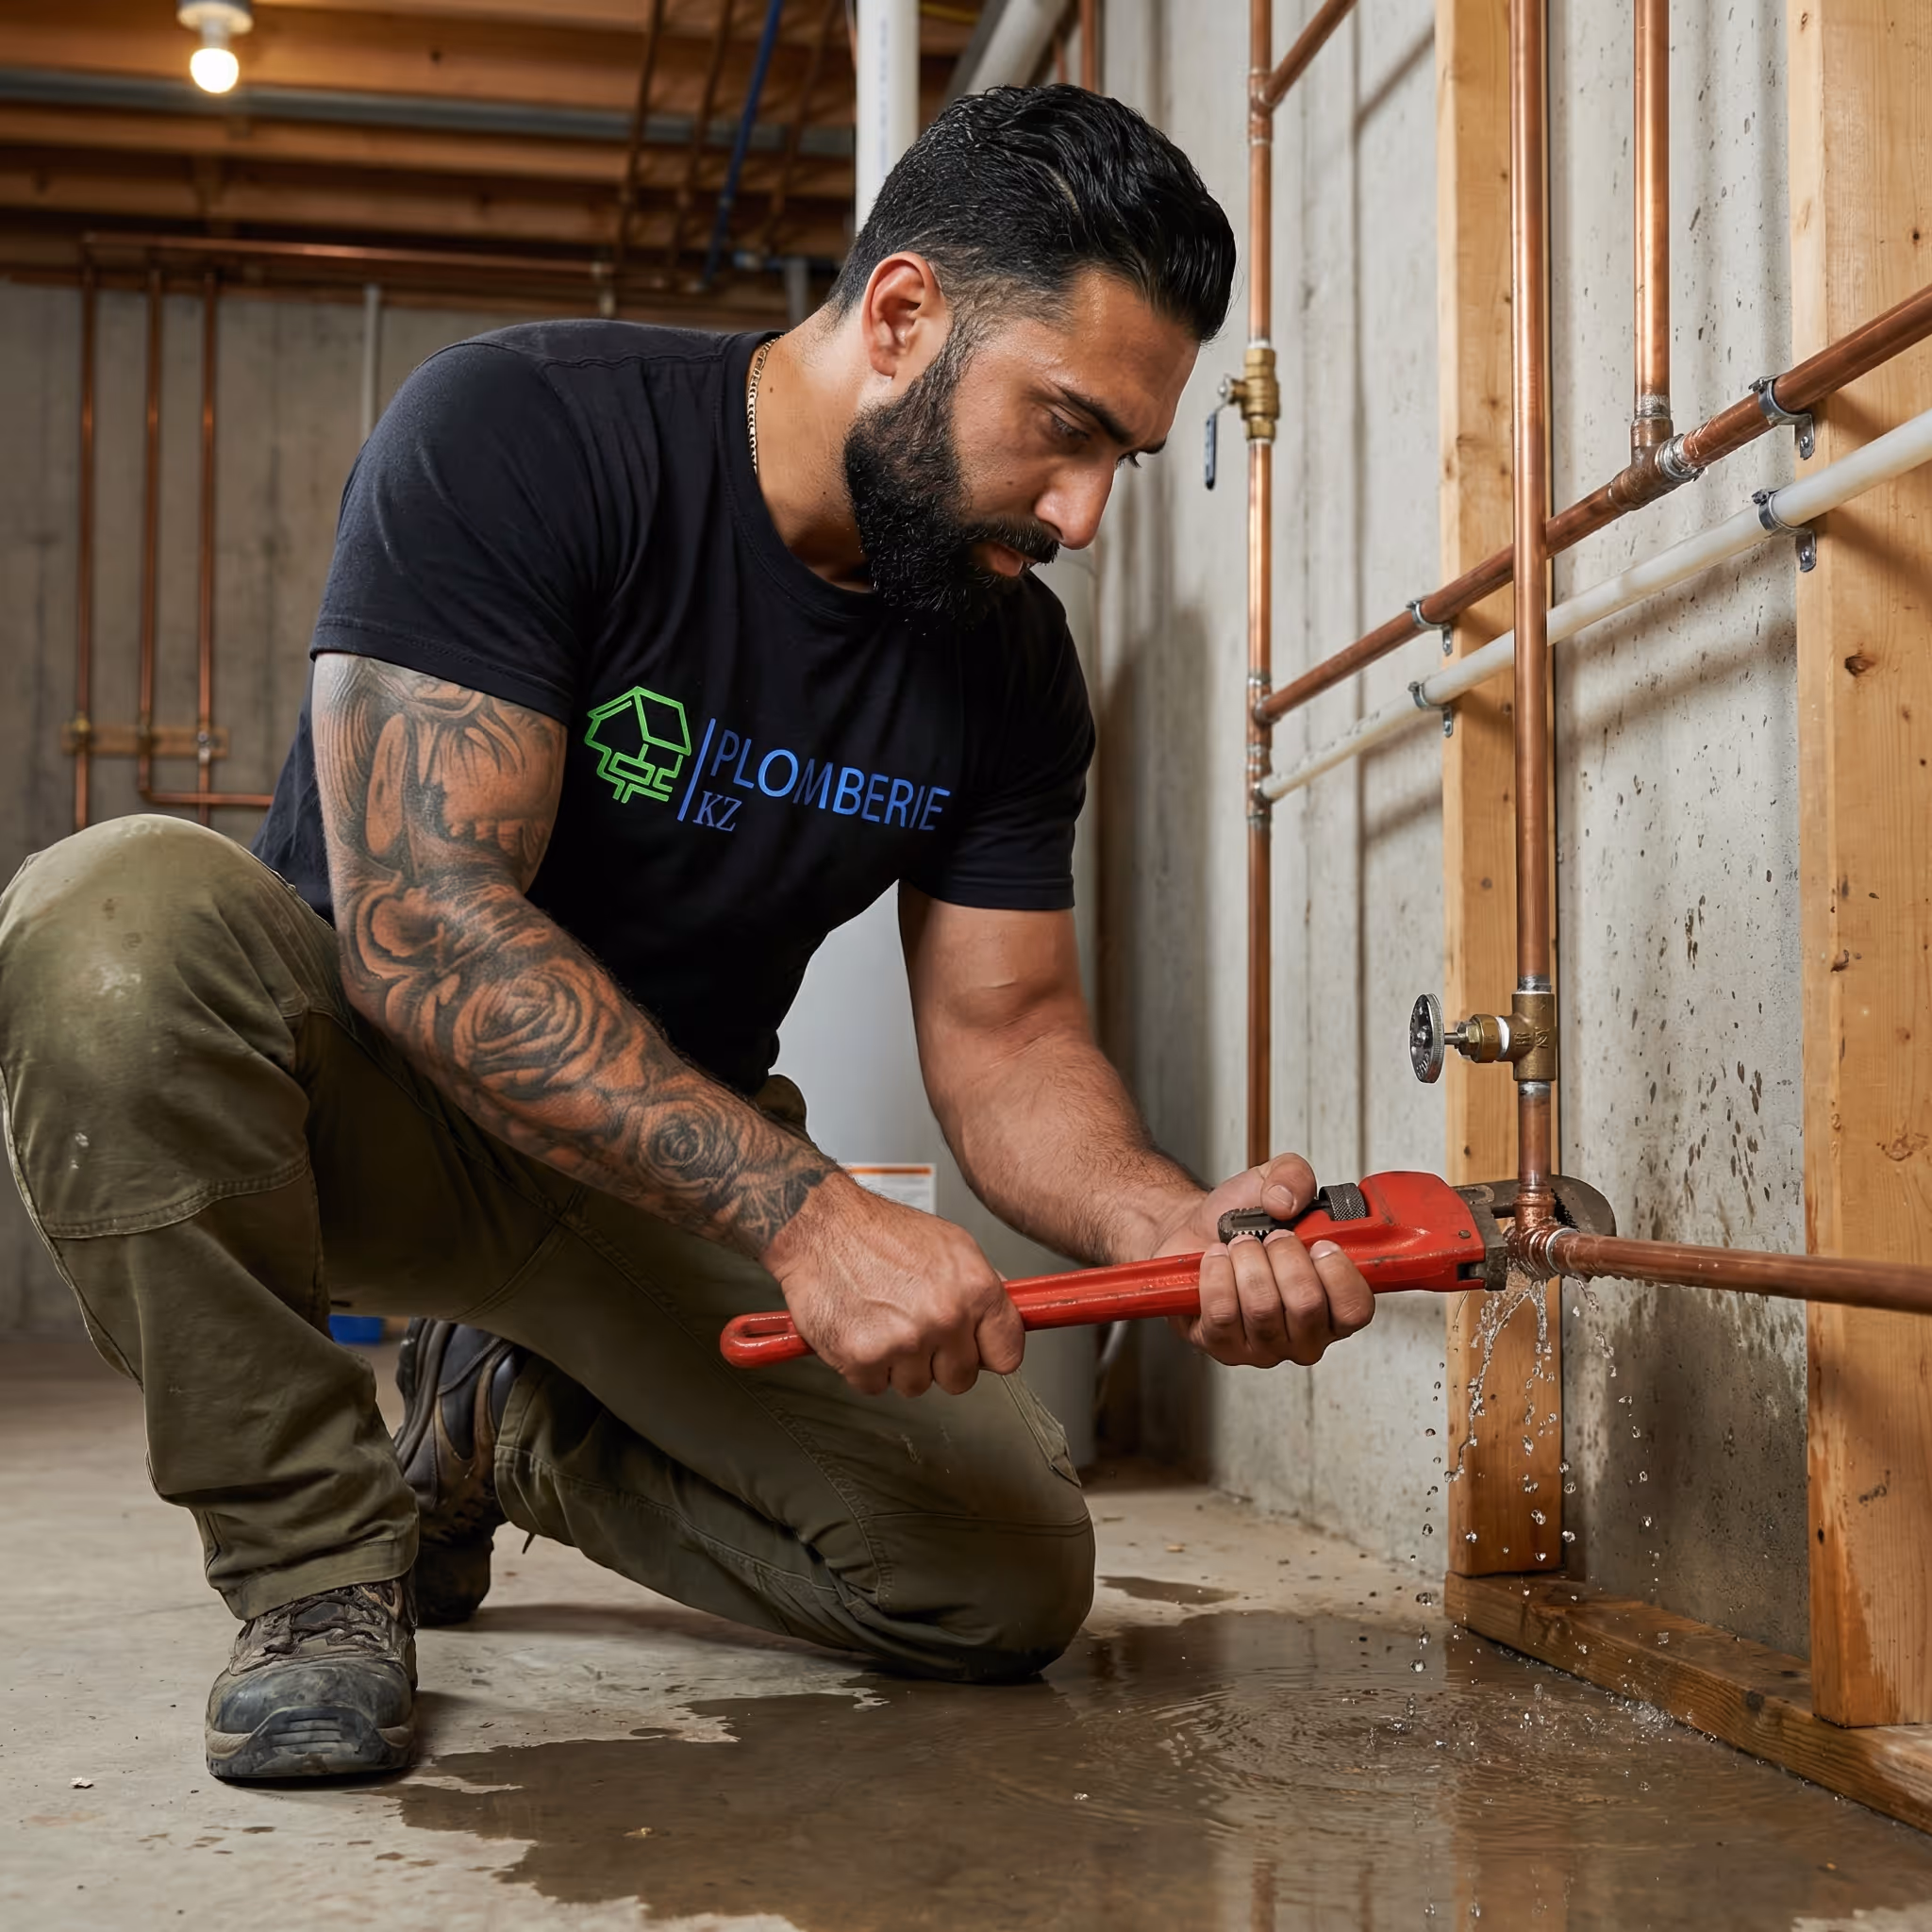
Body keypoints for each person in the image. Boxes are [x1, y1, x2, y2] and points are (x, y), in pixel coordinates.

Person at [0, 85, 1374, 1784]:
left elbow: (1010, 1035)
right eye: (1065, 428)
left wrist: (1177, 1225)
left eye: (1123, 462)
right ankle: (312, 1562)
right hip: (347, 1112)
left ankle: (494, 1424)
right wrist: (808, 1216)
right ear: (902, 316)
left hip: (649, 1171)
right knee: (106, 924)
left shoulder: (1005, 661)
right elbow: (425, 923)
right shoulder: (524, 430)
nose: (1082, 516)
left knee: (997, 1585)